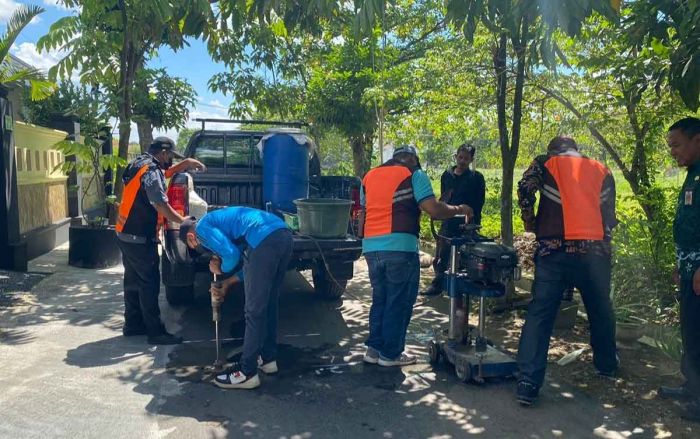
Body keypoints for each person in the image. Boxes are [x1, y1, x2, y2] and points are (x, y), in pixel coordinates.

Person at [515, 135, 619, 406]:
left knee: (541, 313)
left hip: (554, 250)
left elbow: (525, 188)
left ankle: (528, 382)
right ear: (576, 149)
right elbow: (609, 214)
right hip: (595, 254)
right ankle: (607, 364)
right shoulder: (601, 169)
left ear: (552, 150)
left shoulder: (545, 162)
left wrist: (530, 219)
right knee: (600, 309)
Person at [359, 145, 472, 367]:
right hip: (400, 247)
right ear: (412, 159)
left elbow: (363, 212)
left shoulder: (369, 176)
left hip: (371, 246)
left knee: (380, 299)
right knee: (398, 301)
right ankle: (390, 355)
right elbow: (433, 209)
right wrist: (461, 209)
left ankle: (373, 350)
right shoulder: (414, 174)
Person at [179, 206, 293, 390]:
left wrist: (220, 269)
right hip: (282, 235)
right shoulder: (228, 225)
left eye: (193, 246)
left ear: (191, 238)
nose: (199, 248)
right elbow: (251, 264)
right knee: (269, 303)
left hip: (265, 240)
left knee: (254, 311)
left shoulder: (201, 228)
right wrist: (227, 283)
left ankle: (247, 373)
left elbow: (232, 255)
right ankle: (268, 358)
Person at [116, 136, 205, 345]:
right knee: (149, 284)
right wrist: (182, 220)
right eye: (171, 157)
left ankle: (132, 324)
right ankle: (155, 332)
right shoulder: (151, 171)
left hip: (124, 233)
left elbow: (161, 175)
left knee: (132, 281)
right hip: (139, 237)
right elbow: (160, 204)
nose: (171, 162)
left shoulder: (139, 164)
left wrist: (185, 164)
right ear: (163, 153)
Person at [659, 117, 700, 422]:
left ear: (697, 140)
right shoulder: (692, 175)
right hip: (689, 268)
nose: (672, 152)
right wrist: (681, 263)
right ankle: (692, 387)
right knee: (690, 330)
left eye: (676, 145)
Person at [422, 143, 485, 296]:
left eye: (466, 158)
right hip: (449, 220)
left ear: (471, 160)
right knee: (442, 255)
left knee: (468, 256)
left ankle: (467, 289)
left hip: (468, 222)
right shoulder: (447, 175)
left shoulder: (476, 178)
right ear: (456, 156)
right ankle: (437, 284)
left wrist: (472, 218)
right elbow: (444, 198)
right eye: (460, 157)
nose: (462, 161)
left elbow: (479, 201)